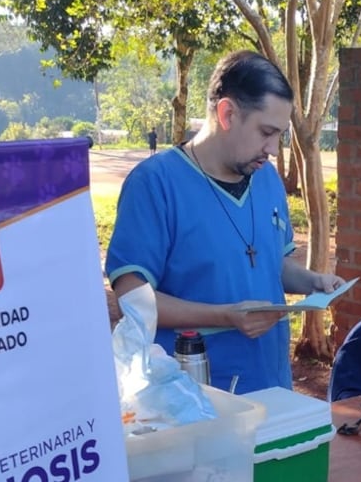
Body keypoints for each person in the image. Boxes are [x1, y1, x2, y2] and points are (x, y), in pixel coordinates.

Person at [106, 50, 344, 394]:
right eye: (266, 132)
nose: (274, 149)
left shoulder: (266, 179)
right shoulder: (155, 184)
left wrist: (313, 282)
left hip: (271, 386)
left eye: (279, 135)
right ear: (227, 113)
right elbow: (134, 299)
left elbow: (271, 264)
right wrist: (226, 316)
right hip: (192, 398)